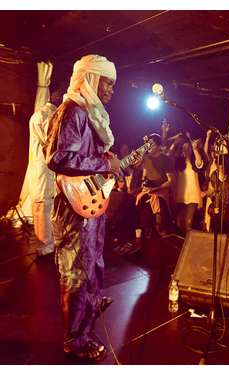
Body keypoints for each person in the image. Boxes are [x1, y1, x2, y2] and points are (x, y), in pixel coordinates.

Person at [44, 55, 141, 361]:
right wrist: (103, 163)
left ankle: (93, 301)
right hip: (74, 211)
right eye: (108, 83)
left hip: (89, 209)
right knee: (76, 273)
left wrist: (114, 166)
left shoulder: (91, 113)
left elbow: (95, 165)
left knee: (93, 263)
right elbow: (57, 158)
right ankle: (75, 339)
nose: (112, 90)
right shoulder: (72, 111)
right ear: (90, 80)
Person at [28, 85, 65, 256]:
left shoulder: (42, 113)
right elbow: (51, 143)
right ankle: (46, 248)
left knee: (46, 207)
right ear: (59, 96)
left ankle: (49, 245)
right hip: (45, 170)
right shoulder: (48, 114)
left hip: (42, 170)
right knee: (44, 208)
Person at [136, 133, 175, 236]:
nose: (149, 147)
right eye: (148, 144)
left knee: (157, 202)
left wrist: (155, 188)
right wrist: (144, 185)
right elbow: (144, 176)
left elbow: (171, 181)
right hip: (149, 189)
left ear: (159, 146)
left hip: (161, 190)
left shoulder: (166, 159)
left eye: (152, 145)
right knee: (137, 201)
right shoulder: (147, 158)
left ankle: (162, 231)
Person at [172, 138, 204, 235]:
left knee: (188, 223)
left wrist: (195, 149)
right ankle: (182, 247)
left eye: (189, 147)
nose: (187, 149)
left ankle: (188, 248)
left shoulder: (194, 163)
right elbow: (168, 155)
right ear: (181, 150)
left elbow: (199, 162)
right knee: (179, 224)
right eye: (184, 147)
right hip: (180, 197)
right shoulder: (177, 164)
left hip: (193, 196)